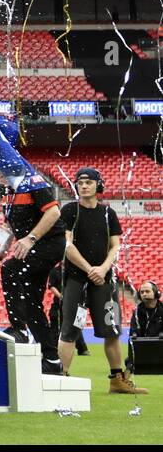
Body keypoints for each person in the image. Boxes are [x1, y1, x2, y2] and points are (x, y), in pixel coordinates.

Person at [58, 168, 147, 393]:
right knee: (69, 330)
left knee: (112, 331)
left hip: (104, 283)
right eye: (80, 182)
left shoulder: (108, 213)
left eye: (89, 182)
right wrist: (90, 270)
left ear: (99, 185)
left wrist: (104, 268)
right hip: (77, 280)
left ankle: (117, 380)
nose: (84, 185)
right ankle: (62, 379)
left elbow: (115, 245)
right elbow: (67, 245)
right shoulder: (69, 210)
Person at [0, 170, 66, 375]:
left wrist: (30, 239)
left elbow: (54, 213)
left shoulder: (33, 182)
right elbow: (10, 223)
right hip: (34, 246)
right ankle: (51, 359)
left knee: (11, 269)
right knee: (32, 304)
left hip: (49, 243)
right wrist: (2, 246)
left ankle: (19, 329)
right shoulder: (9, 191)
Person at [128, 280, 162, 374]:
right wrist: (135, 334)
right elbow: (134, 330)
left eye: (147, 291)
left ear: (156, 293)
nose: (144, 294)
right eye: (142, 292)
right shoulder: (137, 312)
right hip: (143, 348)